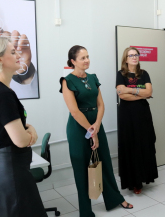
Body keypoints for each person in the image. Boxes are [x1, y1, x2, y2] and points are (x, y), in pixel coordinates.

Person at [60, 45, 133, 217]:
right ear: (73, 61)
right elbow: (75, 111)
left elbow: (101, 104)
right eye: (82, 58)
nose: (87, 60)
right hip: (79, 129)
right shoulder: (67, 81)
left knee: (105, 163)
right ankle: (86, 211)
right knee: (82, 169)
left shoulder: (93, 77)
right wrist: (91, 130)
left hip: (96, 125)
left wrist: (97, 125)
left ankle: (115, 198)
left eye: (87, 56)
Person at [0, 37, 46, 217]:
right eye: (12, 52)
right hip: (10, 173)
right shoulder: (3, 95)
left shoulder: (1, 90)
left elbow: (18, 127)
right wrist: (31, 131)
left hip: (6, 169)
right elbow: (21, 140)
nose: (18, 55)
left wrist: (27, 128)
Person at [116, 47, 158, 194]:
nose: (134, 57)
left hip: (143, 114)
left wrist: (130, 90)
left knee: (144, 144)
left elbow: (149, 92)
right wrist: (141, 93)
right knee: (130, 145)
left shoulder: (144, 74)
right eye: (131, 55)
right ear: (126, 59)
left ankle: (143, 178)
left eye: (136, 55)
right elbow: (122, 95)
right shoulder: (121, 74)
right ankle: (132, 181)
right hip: (126, 116)